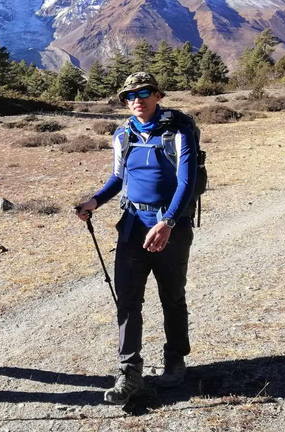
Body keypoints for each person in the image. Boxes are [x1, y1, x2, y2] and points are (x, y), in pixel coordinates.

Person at [76, 72, 197, 405]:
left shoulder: (178, 133)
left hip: (171, 228)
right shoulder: (123, 135)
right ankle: (129, 372)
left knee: (172, 296)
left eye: (143, 92)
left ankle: (175, 358)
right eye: (129, 96)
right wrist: (94, 201)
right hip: (132, 229)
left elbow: (186, 183)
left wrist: (168, 223)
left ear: (158, 95)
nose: (136, 100)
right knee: (128, 299)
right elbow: (117, 178)